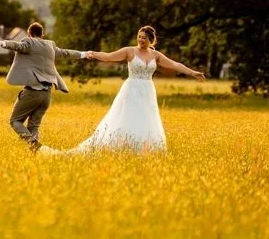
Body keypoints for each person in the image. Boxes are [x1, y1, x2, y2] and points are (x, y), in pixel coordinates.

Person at [50, 26, 205, 154]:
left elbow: (175, 64)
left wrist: (192, 72)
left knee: (146, 118)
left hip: (148, 91)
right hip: (132, 89)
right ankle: (122, 147)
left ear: (151, 39)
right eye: (139, 36)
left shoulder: (155, 55)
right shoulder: (129, 51)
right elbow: (109, 56)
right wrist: (93, 54)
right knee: (129, 116)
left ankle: (144, 149)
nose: (141, 40)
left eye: (144, 37)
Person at [0, 22, 90, 152]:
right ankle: (36, 153)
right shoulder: (50, 45)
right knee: (34, 127)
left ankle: (33, 143)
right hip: (47, 95)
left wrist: (1, 43)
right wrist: (84, 54)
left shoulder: (29, 42)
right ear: (42, 34)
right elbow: (66, 53)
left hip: (32, 93)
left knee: (15, 121)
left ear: (29, 34)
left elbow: (17, 46)